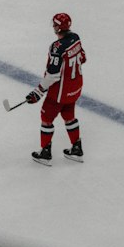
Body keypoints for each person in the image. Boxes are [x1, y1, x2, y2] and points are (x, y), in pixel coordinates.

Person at [27, 12, 86, 163]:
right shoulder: (76, 38)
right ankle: (76, 148)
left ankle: (45, 152)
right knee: (69, 115)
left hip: (59, 92)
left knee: (46, 118)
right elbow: (83, 57)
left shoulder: (57, 47)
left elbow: (53, 75)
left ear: (58, 28)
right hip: (75, 88)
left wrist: (38, 91)